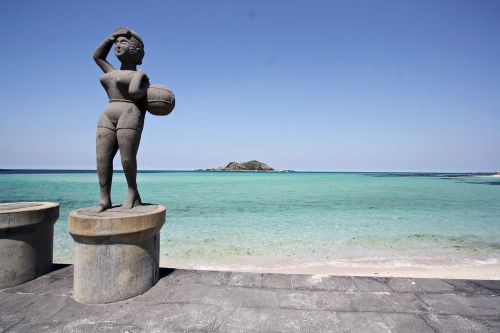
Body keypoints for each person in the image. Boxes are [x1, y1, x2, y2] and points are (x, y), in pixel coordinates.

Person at [93, 28, 149, 211]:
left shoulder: (139, 75)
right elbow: (97, 56)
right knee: (102, 158)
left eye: (123, 42)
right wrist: (110, 37)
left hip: (130, 113)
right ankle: (104, 199)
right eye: (116, 43)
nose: (118, 45)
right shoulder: (110, 70)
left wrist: (140, 76)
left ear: (135, 50)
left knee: (127, 157)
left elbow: (134, 92)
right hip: (107, 114)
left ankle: (132, 191)